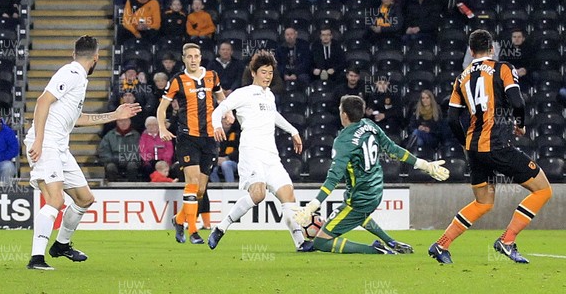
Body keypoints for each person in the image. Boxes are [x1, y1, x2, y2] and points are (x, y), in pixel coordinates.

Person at [429, 29, 553, 264]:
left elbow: (453, 119)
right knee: (543, 190)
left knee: (483, 202)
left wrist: (466, 144)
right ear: (492, 49)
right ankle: (507, 241)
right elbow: (517, 101)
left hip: (474, 149)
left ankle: (441, 245)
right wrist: (520, 125)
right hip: (496, 145)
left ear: (471, 51)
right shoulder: (502, 68)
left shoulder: (461, 78)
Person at [24, 35, 141, 270]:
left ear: (73, 53)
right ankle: (36, 258)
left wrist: (114, 115)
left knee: (85, 198)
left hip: (59, 147)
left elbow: (78, 119)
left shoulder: (79, 79)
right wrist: (38, 140)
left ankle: (61, 245)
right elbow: (42, 101)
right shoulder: (71, 73)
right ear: (96, 58)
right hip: (46, 143)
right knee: (56, 200)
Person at [294, 95, 449, 254]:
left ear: (344, 115)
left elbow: (333, 178)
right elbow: (393, 149)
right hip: (375, 191)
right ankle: (391, 242)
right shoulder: (370, 125)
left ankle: (377, 250)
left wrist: (314, 204)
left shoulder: (343, 141)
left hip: (360, 197)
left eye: (341, 110)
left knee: (321, 242)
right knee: (358, 215)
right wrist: (424, 165)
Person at [207, 50, 315, 252]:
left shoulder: (270, 95)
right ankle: (221, 228)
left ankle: (301, 242)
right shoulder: (243, 93)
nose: (268, 76)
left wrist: (293, 130)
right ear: (254, 72)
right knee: (258, 195)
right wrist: (217, 126)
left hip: (270, 155)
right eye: (264, 72)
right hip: (251, 152)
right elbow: (219, 110)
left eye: (270, 73)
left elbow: (273, 115)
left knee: (288, 196)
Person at [157, 43, 229, 244]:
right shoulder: (177, 80)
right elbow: (162, 108)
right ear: (184, 59)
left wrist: (227, 111)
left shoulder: (212, 76)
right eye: (189, 56)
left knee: (200, 190)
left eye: (196, 56)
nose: (193, 59)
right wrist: (162, 128)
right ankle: (193, 231)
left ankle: (179, 220)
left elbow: (220, 95)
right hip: (187, 137)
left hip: (210, 138)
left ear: (200, 57)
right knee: (192, 183)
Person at [98, 117, 141, 182]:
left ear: (130, 122)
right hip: (114, 160)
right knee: (110, 167)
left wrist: (128, 158)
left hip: (131, 160)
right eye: (121, 121)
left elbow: (140, 151)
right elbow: (104, 151)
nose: (123, 123)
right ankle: (113, 187)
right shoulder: (109, 135)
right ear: (117, 122)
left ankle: (133, 186)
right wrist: (113, 158)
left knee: (132, 166)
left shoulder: (136, 135)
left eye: (126, 121)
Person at [499, 28, 533, 93]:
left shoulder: (529, 49)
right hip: (510, 74)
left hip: (525, 75)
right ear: (511, 38)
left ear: (523, 39)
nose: (516, 39)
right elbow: (502, 63)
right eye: (514, 37)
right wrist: (513, 71)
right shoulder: (505, 50)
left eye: (519, 37)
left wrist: (526, 70)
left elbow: (532, 63)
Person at [210, 117, 240, 183]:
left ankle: (230, 187)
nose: (227, 122)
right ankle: (216, 187)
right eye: (224, 119)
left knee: (226, 164)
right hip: (218, 160)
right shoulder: (215, 135)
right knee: (209, 166)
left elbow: (240, 151)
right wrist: (217, 159)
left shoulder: (237, 134)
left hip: (235, 162)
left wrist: (227, 158)